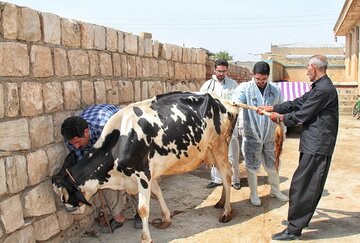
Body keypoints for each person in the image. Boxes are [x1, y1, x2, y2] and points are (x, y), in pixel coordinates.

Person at [257, 55, 339, 240]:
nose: (306, 71)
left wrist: (279, 118)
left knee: (304, 186)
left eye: (307, 68)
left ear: (314, 68)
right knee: (307, 184)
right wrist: (272, 107)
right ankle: (300, 221)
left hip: (318, 145)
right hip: (313, 143)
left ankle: (293, 229)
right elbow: (297, 103)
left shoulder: (324, 90)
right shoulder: (319, 87)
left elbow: (302, 114)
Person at [61, 104, 142, 233]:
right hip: (102, 142)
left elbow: (122, 151)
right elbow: (84, 161)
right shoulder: (70, 141)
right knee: (103, 179)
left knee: (130, 175)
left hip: (124, 134)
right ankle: (118, 217)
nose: (75, 146)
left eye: (78, 142)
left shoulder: (106, 129)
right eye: (73, 144)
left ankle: (141, 213)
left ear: (86, 132)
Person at [231, 61, 288, 206]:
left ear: (268, 77)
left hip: (270, 133)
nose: (261, 82)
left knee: (273, 163)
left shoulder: (275, 89)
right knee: (251, 165)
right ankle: (254, 194)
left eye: (264, 79)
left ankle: (275, 190)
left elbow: (281, 108)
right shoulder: (245, 88)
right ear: (253, 75)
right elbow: (236, 103)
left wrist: (282, 128)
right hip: (252, 134)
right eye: (258, 79)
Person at [200, 59, 241, 190]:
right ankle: (217, 179)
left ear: (227, 71)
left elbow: (237, 103)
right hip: (213, 124)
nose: (221, 73)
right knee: (213, 150)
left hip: (229, 123)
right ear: (214, 70)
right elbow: (201, 103)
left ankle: (235, 180)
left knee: (232, 151)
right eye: (219, 71)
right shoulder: (207, 85)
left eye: (224, 71)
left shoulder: (233, 84)